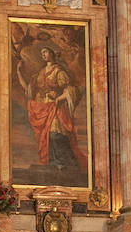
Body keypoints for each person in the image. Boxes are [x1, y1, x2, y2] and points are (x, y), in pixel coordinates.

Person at [24, 45, 87, 174]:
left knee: (55, 134)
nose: (43, 54)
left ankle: (65, 163)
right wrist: (19, 72)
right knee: (46, 136)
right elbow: (29, 89)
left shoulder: (59, 71)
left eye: (45, 52)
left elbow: (70, 90)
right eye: (42, 53)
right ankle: (52, 163)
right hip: (44, 108)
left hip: (56, 107)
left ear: (52, 54)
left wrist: (59, 98)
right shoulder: (41, 73)